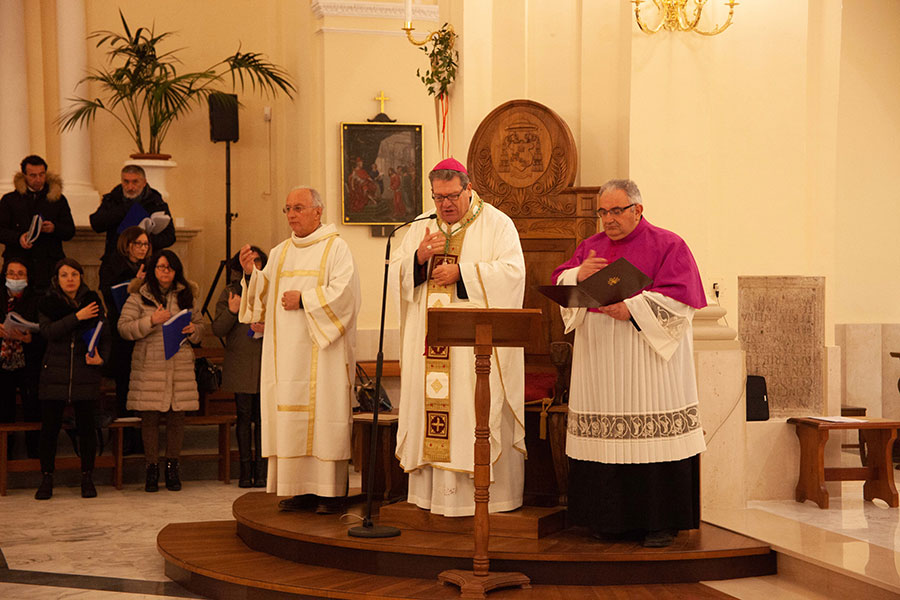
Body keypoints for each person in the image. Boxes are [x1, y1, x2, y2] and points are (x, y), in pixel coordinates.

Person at [551, 178, 707, 548]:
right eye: (602, 212)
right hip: (602, 364)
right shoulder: (591, 248)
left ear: (638, 209)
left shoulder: (670, 245)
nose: (608, 219)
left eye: (616, 211)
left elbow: (682, 302)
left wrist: (632, 309)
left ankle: (660, 523)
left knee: (652, 442)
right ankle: (609, 521)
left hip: (649, 366)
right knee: (607, 443)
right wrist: (577, 275)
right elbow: (561, 283)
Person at [390, 157, 526, 517]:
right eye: (438, 198)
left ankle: (485, 500)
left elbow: (513, 275)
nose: (445, 204)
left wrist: (462, 273)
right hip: (429, 349)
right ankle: (433, 497)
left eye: (452, 196)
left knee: (471, 413)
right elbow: (396, 281)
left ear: (468, 189)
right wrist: (418, 259)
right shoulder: (420, 226)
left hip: (474, 353)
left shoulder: (497, 224)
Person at [238, 186, 360, 514]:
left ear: (318, 211)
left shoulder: (337, 249)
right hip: (287, 360)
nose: (292, 215)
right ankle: (299, 490)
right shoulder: (279, 253)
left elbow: (345, 294)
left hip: (324, 356)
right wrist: (251, 275)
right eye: (288, 209)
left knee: (324, 419)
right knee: (290, 419)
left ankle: (329, 494)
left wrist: (304, 299)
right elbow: (262, 299)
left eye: (299, 208)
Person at [117, 249, 204, 493]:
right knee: (150, 419)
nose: (165, 272)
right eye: (160, 267)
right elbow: (123, 328)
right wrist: (151, 321)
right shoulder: (138, 296)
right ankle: (152, 468)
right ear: (153, 270)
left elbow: (200, 326)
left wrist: (193, 331)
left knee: (177, 417)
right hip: (150, 364)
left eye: (170, 268)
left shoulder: (187, 296)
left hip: (179, 363)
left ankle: (172, 468)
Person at [35, 258, 111, 500]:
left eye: (74, 275)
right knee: (49, 430)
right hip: (54, 374)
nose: (70, 279)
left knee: (87, 429)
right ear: (57, 279)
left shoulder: (93, 302)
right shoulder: (48, 303)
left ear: (81, 278)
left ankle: (87, 477)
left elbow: (106, 337)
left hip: (84, 374)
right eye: (64, 275)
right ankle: (46, 477)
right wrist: (77, 317)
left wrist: (101, 359)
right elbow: (48, 332)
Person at [212, 247, 268, 488]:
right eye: (248, 260)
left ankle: (263, 471)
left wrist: (269, 328)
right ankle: (245, 471)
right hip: (241, 362)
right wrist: (233, 311)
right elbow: (217, 329)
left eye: (257, 260)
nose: (252, 264)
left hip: (266, 362)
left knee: (263, 420)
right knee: (244, 417)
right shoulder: (231, 291)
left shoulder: (270, 289)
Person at [98, 226, 151, 454]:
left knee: (142, 388)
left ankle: (141, 438)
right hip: (121, 334)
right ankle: (125, 439)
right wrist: (135, 282)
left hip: (145, 332)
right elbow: (110, 295)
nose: (142, 248)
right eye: (138, 243)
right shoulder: (112, 265)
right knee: (124, 387)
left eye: (146, 244)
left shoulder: (151, 267)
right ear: (127, 245)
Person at [0, 155, 76, 292]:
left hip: (48, 263)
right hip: (19, 262)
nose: (38, 179)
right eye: (33, 175)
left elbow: (70, 231)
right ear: (24, 176)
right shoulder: (10, 200)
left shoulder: (57, 199)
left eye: (41, 175)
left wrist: (54, 228)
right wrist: (18, 238)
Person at [90, 164, 175, 263]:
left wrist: (141, 243)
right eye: (126, 182)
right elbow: (96, 224)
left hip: (147, 261)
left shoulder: (155, 202)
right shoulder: (113, 199)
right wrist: (125, 209)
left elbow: (170, 237)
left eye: (135, 182)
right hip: (115, 262)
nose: (130, 187)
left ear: (144, 182)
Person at [0, 258, 42, 458]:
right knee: (3, 407)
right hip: (2, 361)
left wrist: (27, 337)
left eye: (20, 274)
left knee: (32, 406)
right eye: (11, 273)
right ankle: (5, 454)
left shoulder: (37, 299)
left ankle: (34, 452)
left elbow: (44, 331)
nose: (15, 277)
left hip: (29, 361)